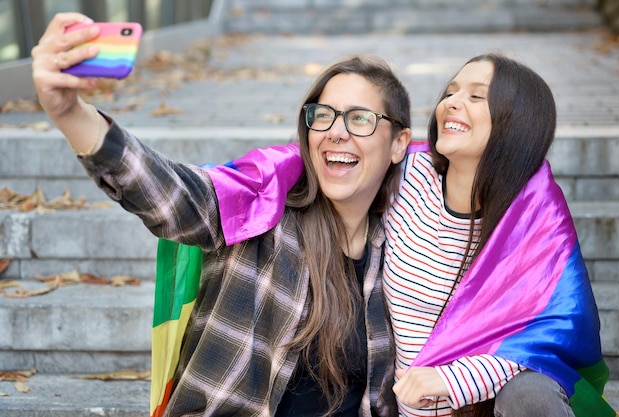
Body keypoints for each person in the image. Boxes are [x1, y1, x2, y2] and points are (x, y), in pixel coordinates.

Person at [31, 12, 414, 417]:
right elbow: (171, 194)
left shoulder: (404, 246)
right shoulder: (258, 209)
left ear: (398, 144)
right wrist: (70, 113)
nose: (337, 131)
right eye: (323, 115)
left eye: (360, 119)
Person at [197, 54, 619, 417]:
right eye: (451, 91)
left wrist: (454, 381)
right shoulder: (406, 178)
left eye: (475, 96)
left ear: (518, 124)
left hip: (485, 404)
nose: (451, 103)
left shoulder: (536, 214)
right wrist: (231, 187)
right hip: (403, 406)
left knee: (532, 393)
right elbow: (322, 157)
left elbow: (551, 335)